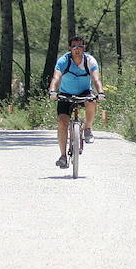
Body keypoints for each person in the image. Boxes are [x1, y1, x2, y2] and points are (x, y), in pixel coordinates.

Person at [47, 36, 105, 169]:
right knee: (62, 122)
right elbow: (56, 77)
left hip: (84, 92)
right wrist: (52, 91)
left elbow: (96, 79)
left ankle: (88, 128)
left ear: (84, 48)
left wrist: (100, 92)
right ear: (69, 48)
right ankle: (63, 156)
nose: (77, 49)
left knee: (91, 101)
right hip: (66, 93)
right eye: (74, 46)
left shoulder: (89, 60)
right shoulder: (64, 61)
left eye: (80, 46)